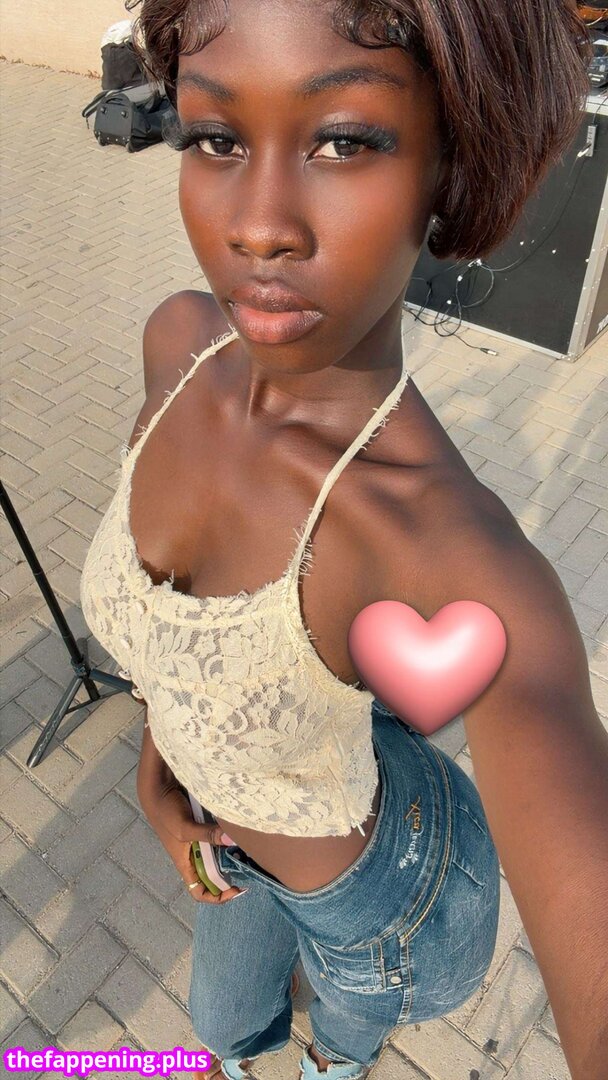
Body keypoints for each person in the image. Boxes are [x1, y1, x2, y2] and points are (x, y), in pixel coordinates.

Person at [80, 2, 608, 1078]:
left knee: (342, 1040)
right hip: (229, 840)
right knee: (221, 1031)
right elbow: (170, 652)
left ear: (450, 172)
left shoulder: (441, 545)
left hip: (385, 906)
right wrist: (157, 770)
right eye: (217, 138)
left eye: (344, 141)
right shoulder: (178, 342)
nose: (258, 226)